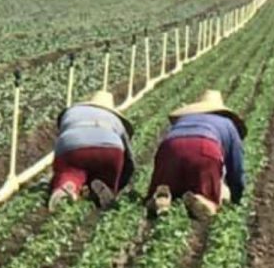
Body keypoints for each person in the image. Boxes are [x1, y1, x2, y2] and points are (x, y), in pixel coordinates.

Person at [147, 90, 246, 221]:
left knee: (170, 184)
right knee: (209, 197)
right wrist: (237, 195)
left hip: (170, 147)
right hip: (205, 148)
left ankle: (162, 198)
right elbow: (236, 166)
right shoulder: (227, 124)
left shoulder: (184, 119)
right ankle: (202, 199)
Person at [49, 90, 135, 211]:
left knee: (70, 171)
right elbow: (128, 157)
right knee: (106, 173)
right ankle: (104, 185)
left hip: (72, 146)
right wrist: (123, 182)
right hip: (110, 149)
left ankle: (68, 185)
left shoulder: (72, 112)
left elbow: (63, 133)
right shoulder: (116, 120)